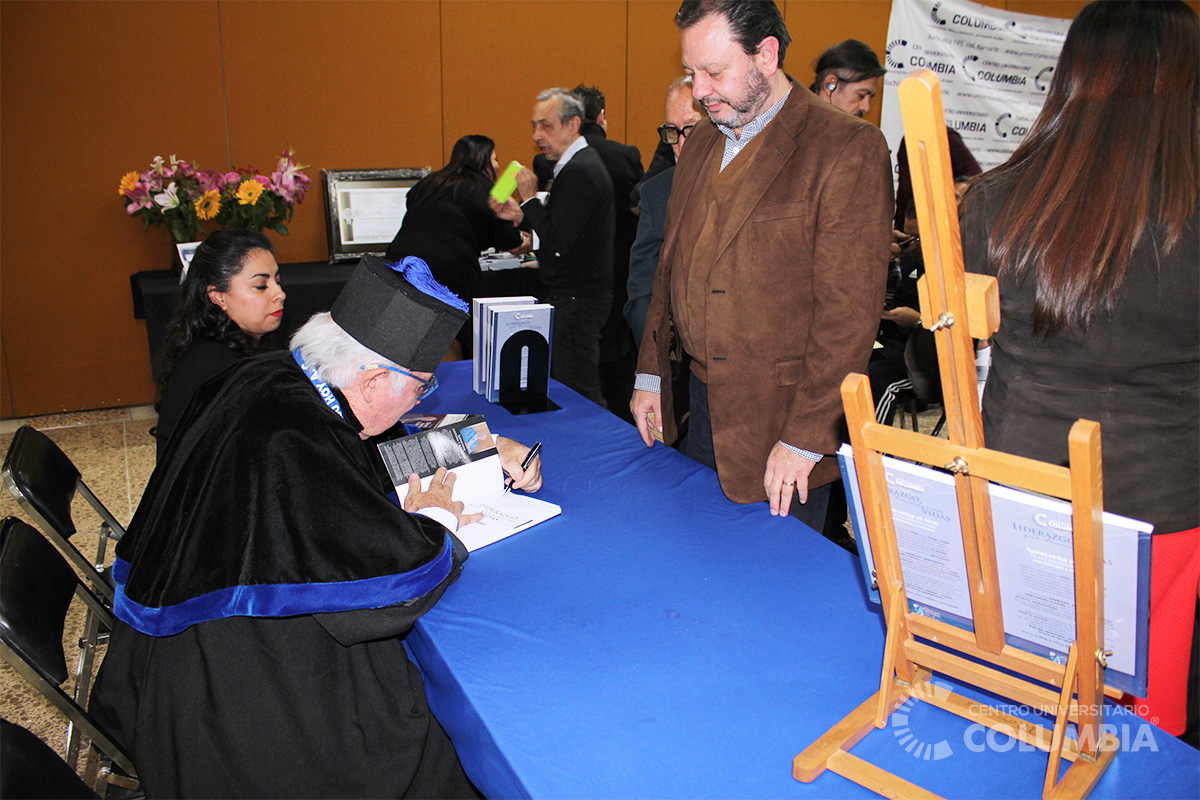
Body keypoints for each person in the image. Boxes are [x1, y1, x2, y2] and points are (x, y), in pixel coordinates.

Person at [90, 254, 543, 796]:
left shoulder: (274, 376)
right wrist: (438, 519)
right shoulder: (289, 444)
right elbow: (388, 590)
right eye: (421, 387)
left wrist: (486, 447)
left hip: (165, 661)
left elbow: (366, 454)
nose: (422, 399)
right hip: (235, 702)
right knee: (420, 732)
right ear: (373, 379)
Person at [960, 0, 1198, 745]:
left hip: (1026, 492)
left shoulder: (998, 201)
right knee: (1138, 733)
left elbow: (964, 348)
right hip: (1162, 506)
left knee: (1025, 712)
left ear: (1074, 76)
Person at [630, 0, 893, 535]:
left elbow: (849, 317)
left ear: (767, 55)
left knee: (769, 598)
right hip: (695, 406)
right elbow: (670, 266)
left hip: (782, 428)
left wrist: (805, 439)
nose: (699, 90)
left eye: (714, 71)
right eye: (691, 73)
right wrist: (652, 372)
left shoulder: (846, 148)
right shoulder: (702, 139)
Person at [489, 87, 615, 406]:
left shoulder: (580, 171)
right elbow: (567, 234)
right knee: (573, 387)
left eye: (546, 126)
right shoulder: (576, 166)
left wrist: (530, 198)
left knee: (577, 394)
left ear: (573, 124)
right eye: (534, 126)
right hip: (578, 297)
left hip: (577, 300)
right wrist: (524, 214)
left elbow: (559, 246)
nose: (537, 135)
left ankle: (593, 452)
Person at [385, 135, 529, 357]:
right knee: (448, 334)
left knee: (408, 331)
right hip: (448, 268)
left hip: (400, 261)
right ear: (483, 160)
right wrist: (525, 239)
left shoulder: (429, 182)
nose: (498, 165)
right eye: (495, 158)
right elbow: (509, 241)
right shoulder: (490, 190)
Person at [154, 228, 284, 459]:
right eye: (261, 286)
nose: (279, 293)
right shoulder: (218, 366)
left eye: (277, 281)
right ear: (218, 296)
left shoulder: (214, 345)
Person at [571, 84, 645, 421]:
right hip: (620, 271)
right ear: (602, 116)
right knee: (618, 371)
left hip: (574, 284)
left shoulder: (555, 160)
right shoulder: (625, 155)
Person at [625, 76, 704, 347]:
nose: (681, 145)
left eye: (692, 130)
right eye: (672, 131)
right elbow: (641, 295)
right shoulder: (656, 194)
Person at [808, 39, 886, 119]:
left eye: (870, 98)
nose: (866, 108)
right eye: (861, 95)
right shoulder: (796, 125)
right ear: (831, 85)